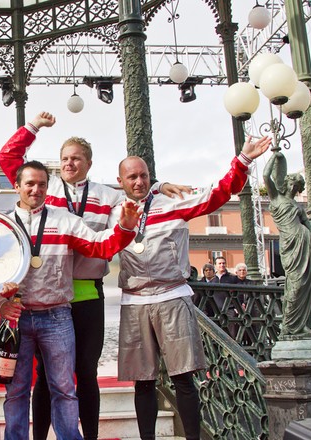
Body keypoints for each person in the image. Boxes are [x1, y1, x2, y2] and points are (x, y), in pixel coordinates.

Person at [0, 111, 189, 440]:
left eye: (76, 158)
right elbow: (10, 158)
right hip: (46, 298)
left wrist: (156, 186)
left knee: (84, 373)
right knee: (45, 376)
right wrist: (34, 127)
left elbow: (135, 196)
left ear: (88, 163)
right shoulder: (45, 188)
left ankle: (88, 437)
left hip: (86, 294)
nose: (69, 163)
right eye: (64, 158)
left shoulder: (109, 195)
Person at [110, 134, 271, 440]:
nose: (140, 182)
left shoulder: (173, 202)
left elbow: (218, 194)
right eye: (133, 177)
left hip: (173, 297)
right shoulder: (112, 211)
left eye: (145, 176)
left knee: (183, 378)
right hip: (134, 302)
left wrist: (244, 160)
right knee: (142, 382)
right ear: (121, 181)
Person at [0, 160, 140, 440]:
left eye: (42, 184)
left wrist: (125, 229)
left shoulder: (64, 219)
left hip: (56, 316)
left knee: (64, 390)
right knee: (16, 391)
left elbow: (100, 245)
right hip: (15, 318)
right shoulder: (1, 226)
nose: (36, 189)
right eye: (29, 183)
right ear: (16, 186)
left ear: (48, 187)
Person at [263, 151, 311, 337]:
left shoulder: (298, 207)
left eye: (296, 186)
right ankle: (290, 326)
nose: (293, 187)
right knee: (296, 285)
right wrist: (276, 155)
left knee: (309, 286)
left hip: (306, 244)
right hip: (291, 246)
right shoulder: (275, 198)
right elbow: (266, 175)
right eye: (292, 183)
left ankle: (304, 325)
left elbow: (310, 228)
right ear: (286, 183)